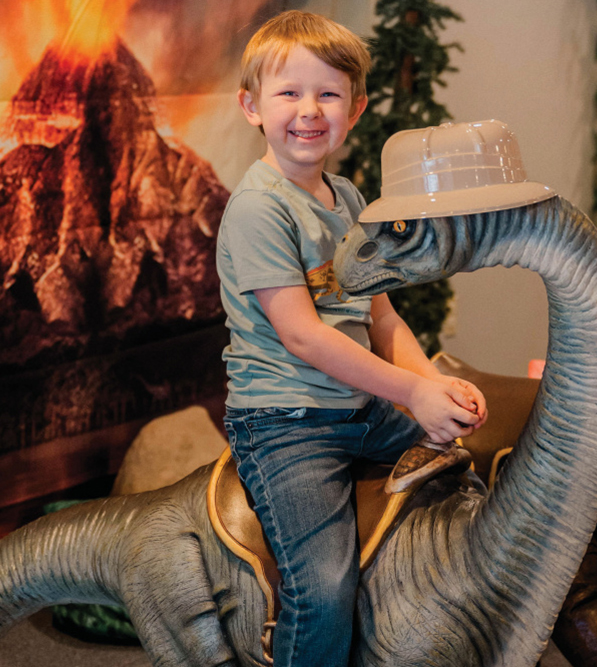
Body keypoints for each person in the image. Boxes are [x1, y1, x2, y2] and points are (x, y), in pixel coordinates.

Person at [215, 10, 488, 666]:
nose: (308, 110)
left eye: (328, 94)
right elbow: (305, 337)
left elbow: (383, 319)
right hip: (286, 424)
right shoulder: (259, 208)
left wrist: (433, 388)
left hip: (360, 411)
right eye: (288, 93)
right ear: (251, 106)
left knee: (463, 481)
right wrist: (411, 395)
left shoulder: (347, 197)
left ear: (355, 108)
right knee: (323, 586)